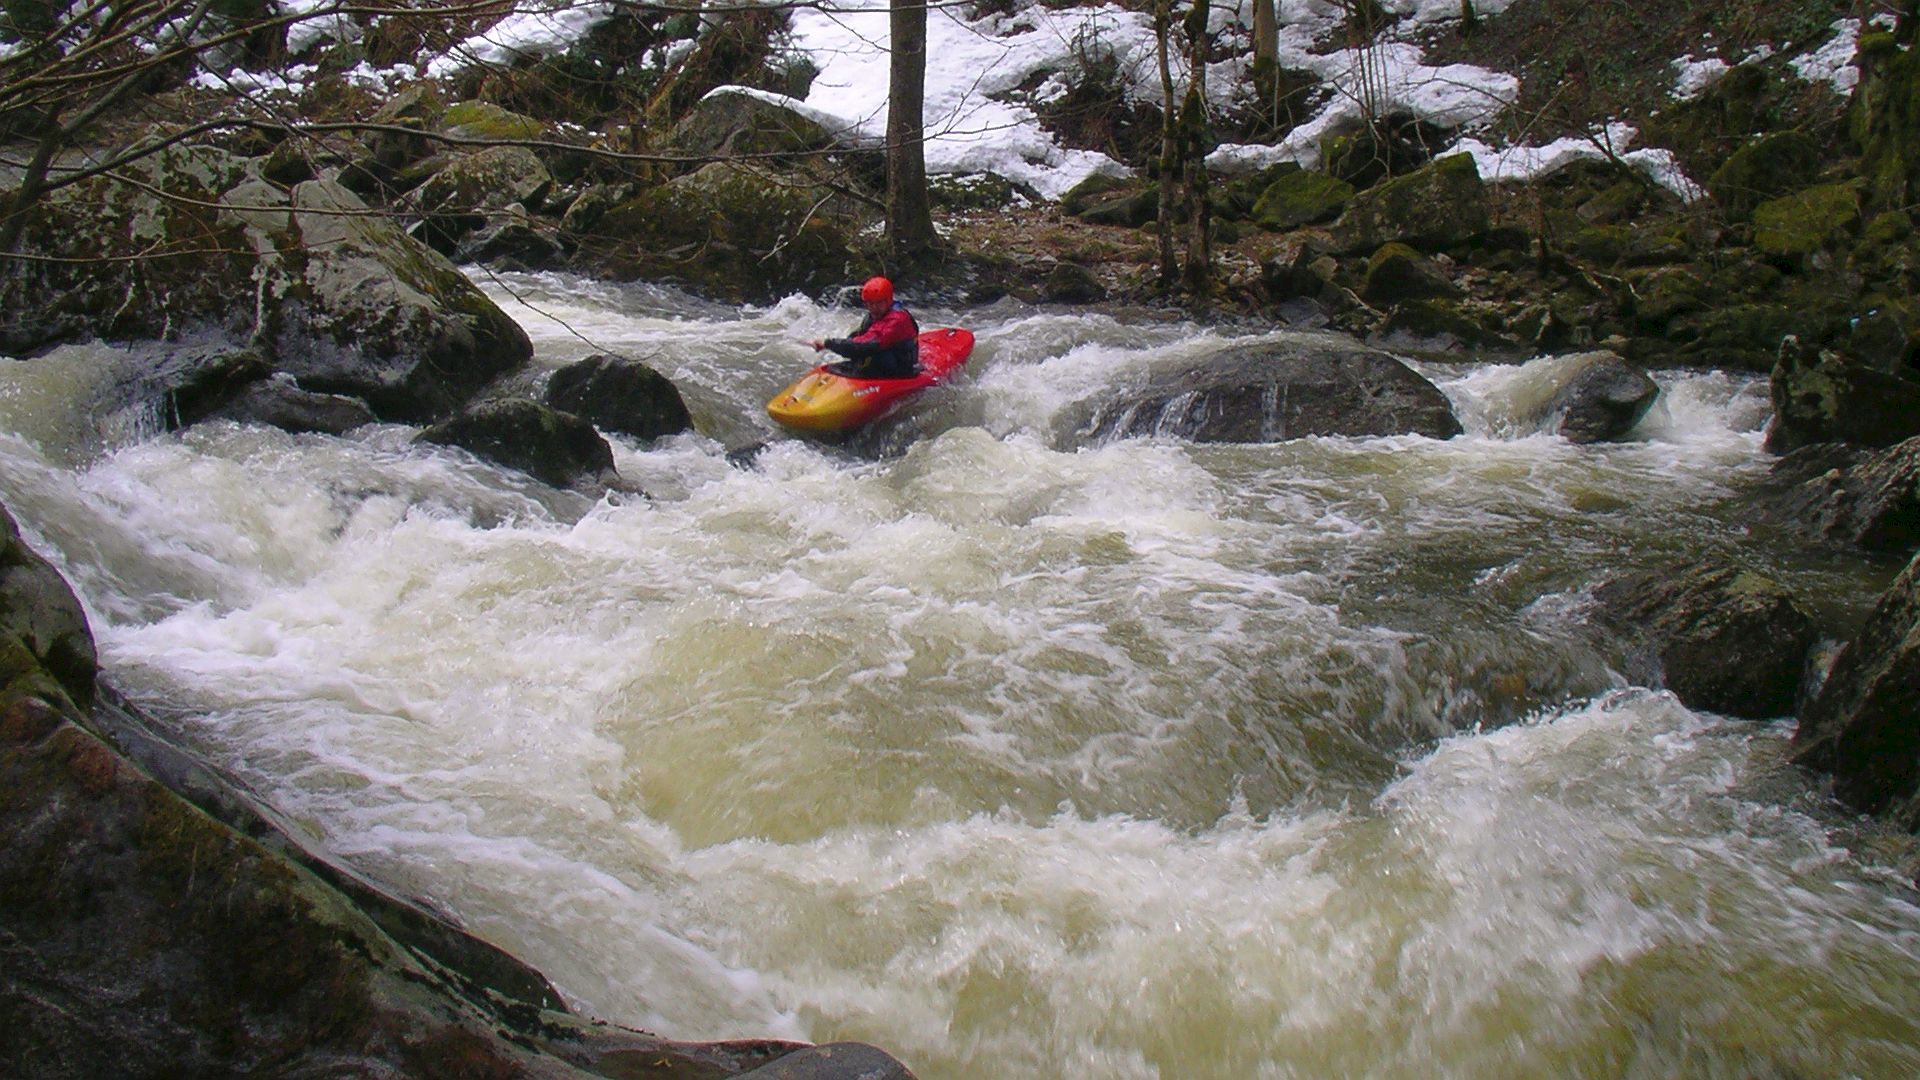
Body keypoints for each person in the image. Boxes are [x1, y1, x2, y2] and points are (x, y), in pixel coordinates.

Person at [810, 276, 920, 379]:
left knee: (868, 352)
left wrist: (828, 343)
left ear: (889, 300)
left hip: (898, 370)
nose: (874, 308)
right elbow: (857, 338)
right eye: (870, 303)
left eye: (879, 303)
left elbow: (867, 345)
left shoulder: (897, 320)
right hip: (879, 363)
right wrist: (832, 345)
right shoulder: (874, 315)